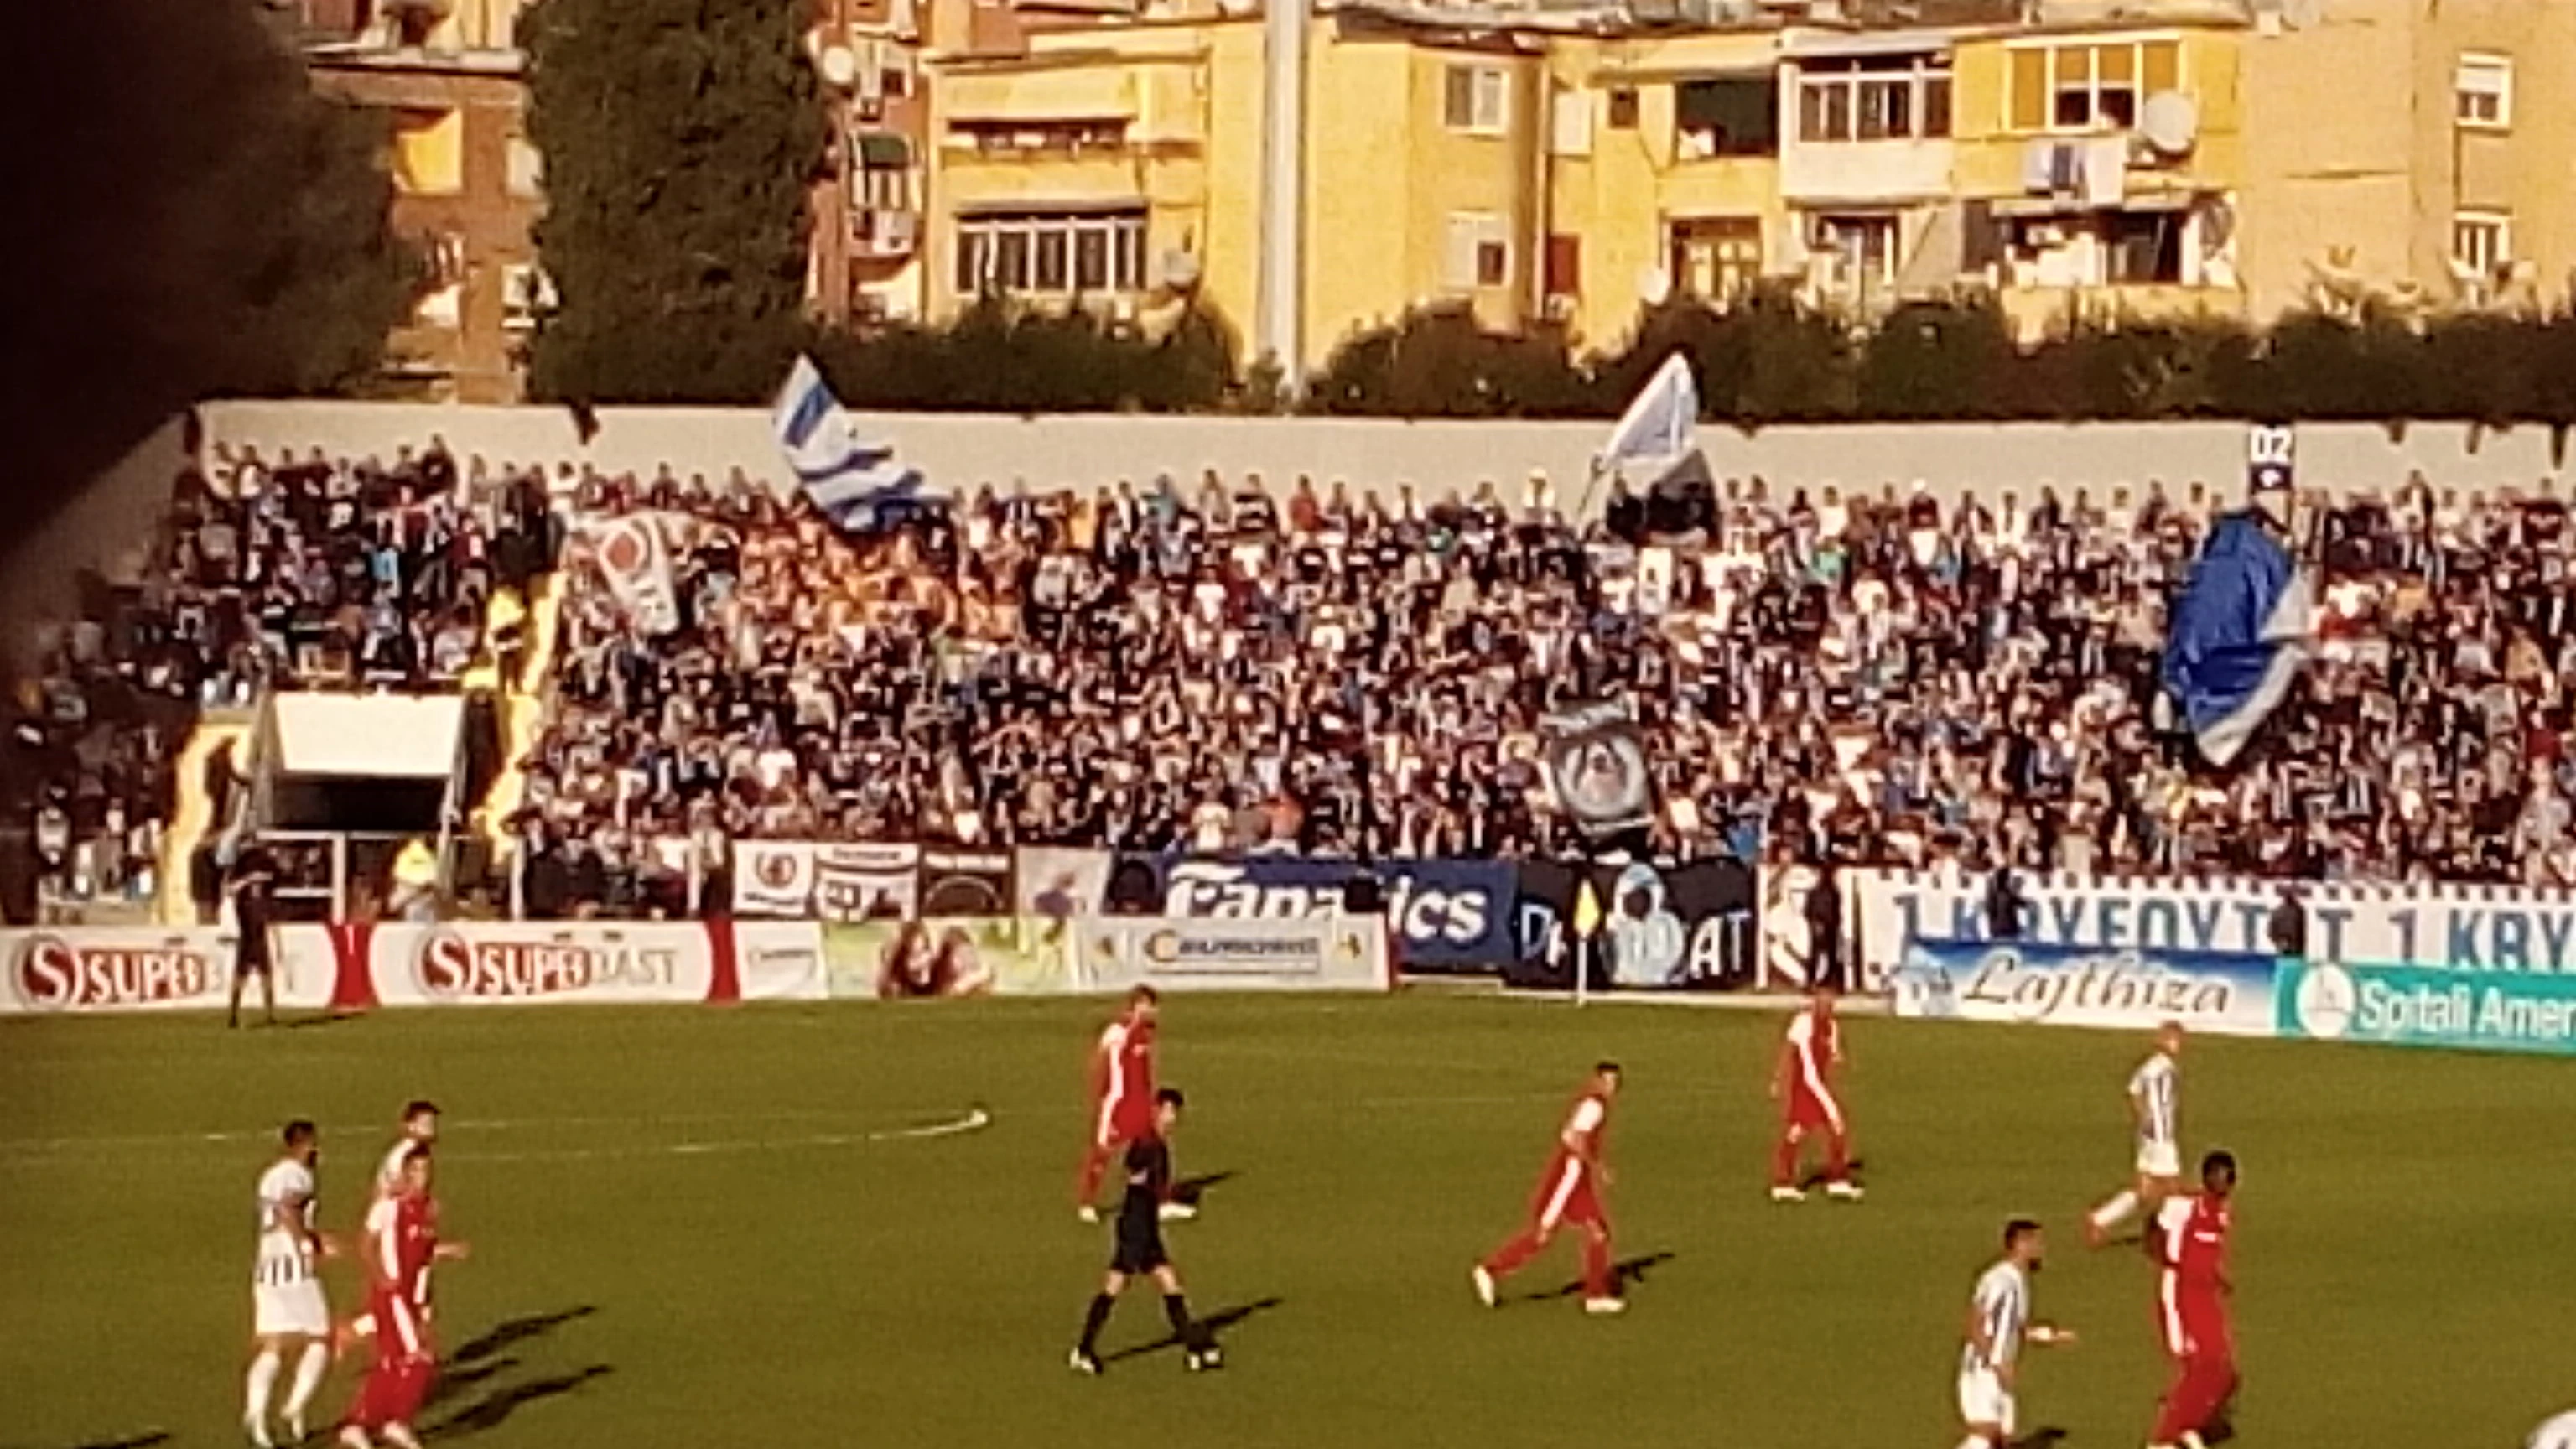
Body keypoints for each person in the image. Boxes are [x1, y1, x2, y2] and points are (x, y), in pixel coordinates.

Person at [1068, 1089, 1222, 1374]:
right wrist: (1147, 1185)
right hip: (1136, 1225)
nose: (1173, 1118)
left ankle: (1193, 1347)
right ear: (1157, 1111)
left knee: (1169, 1281)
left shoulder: (1159, 1143)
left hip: (1146, 1223)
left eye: (1175, 1112)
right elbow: (1133, 1167)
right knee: (1117, 1285)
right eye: (1168, 1111)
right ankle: (1084, 1349)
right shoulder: (1148, 1142)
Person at [1470, 1062, 1625, 1316]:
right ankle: (1490, 1270)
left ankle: (1595, 1294)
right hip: (1570, 1178)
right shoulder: (1594, 1106)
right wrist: (1597, 1166)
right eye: (1607, 1081)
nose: (1612, 1087)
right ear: (1596, 1080)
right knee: (1542, 1235)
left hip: (1579, 1179)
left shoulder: (1594, 1104)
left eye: (1615, 1082)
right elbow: (1572, 1137)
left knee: (1598, 1232)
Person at [340, 1146, 468, 1449]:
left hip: (411, 1297)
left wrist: (445, 1254)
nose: (424, 1176)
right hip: (393, 1295)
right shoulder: (389, 1207)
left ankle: (363, 1424)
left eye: (428, 1169)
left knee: (392, 1362)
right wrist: (381, 1277)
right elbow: (366, 1243)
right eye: (418, 1170)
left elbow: (422, 1254)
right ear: (407, 1173)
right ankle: (391, 1421)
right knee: (419, 1358)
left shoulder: (429, 1209)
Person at [247, 1120, 335, 1449]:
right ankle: (294, 1406)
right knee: (321, 1338)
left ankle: (256, 1414)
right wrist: (307, 1243)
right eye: (313, 1144)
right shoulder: (298, 1175)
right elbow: (288, 1208)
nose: (316, 1151)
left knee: (273, 1344)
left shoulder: (269, 1175)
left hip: (267, 1266)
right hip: (294, 1268)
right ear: (304, 1144)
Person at [2148, 1150, 2241, 1449]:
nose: (2223, 1184)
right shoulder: (2182, 1206)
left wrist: (2217, 1277)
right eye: (2218, 1177)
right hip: (2181, 1292)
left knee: (2224, 1370)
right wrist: (2169, 1263)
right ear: (2206, 1177)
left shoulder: (2222, 1214)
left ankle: (2188, 1424)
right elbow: (2155, 1231)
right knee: (2194, 1364)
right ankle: (2163, 1439)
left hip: (2206, 1297)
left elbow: (2210, 1252)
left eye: (2228, 1178)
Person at [1957, 1218, 2073, 1449]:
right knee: (1986, 1436)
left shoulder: (2019, 1281)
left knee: (2003, 1439)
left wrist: (2048, 1336)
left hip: (1999, 1368)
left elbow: (2017, 1328)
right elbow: (1975, 1322)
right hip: (1983, 1370)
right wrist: (1995, 1363)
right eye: (2037, 1242)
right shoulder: (2000, 1280)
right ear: (2021, 1244)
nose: (2042, 1249)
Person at [1078, 987, 1187, 1222]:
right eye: (1147, 1005)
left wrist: (1153, 1101)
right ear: (1136, 1005)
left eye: (1153, 1006)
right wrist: (1102, 1094)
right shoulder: (1119, 1031)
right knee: (1103, 1151)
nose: (1152, 1010)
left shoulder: (1146, 1032)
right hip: (1119, 1103)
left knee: (1156, 1146)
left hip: (1141, 1102)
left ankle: (1161, 1202)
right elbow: (1103, 1060)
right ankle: (1087, 1202)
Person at [2088, 1022, 2184, 1246]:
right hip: (2159, 1137)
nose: (2178, 1044)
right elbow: (2134, 1093)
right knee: (2172, 1187)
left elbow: (2133, 1090)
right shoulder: (2159, 1068)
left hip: (2150, 1135)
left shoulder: (2154, 1066)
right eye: (2174, 1039)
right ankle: (2170, 1233)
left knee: (2144, 1191)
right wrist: (2146, 1118)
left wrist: (2143, 1121)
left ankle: (2101, 1219)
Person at [1771, 989, 1861, 1202]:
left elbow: (1833, 1054)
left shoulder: (1832, 1027)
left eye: (1829, 1005)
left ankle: (1785, 1182)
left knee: (1802, 1130)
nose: (1825, 1009)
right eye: (1822, 1004)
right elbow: (1789, 1051)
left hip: (1818, 1085)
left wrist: (1838, 1058)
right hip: (1806, 1085)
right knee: (1833, 1124)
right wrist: (1778, 1078)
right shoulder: (1803, 1023)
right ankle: (1835, 1180)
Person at [226, 844, 279, 1029]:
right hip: (249, 936)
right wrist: (249, 879)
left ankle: (266, 1013)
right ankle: (235, 1013)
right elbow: (231, 889)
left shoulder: (258, 898)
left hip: (254, 936)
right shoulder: (247, 897)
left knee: (261, 975)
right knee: (249, 975)